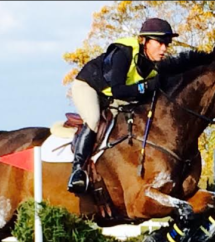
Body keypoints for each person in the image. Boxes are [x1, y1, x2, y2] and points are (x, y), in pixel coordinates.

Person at [67, 18, 178, 194]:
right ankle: (77, 171)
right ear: (144, 41)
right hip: (89, 86)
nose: (164, 49)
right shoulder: (124, 53)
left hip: (110, 95)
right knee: (94, 119)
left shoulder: (154, 65)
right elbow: (118, 90)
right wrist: (147, 86)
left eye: (167, 44)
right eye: (160, 43)